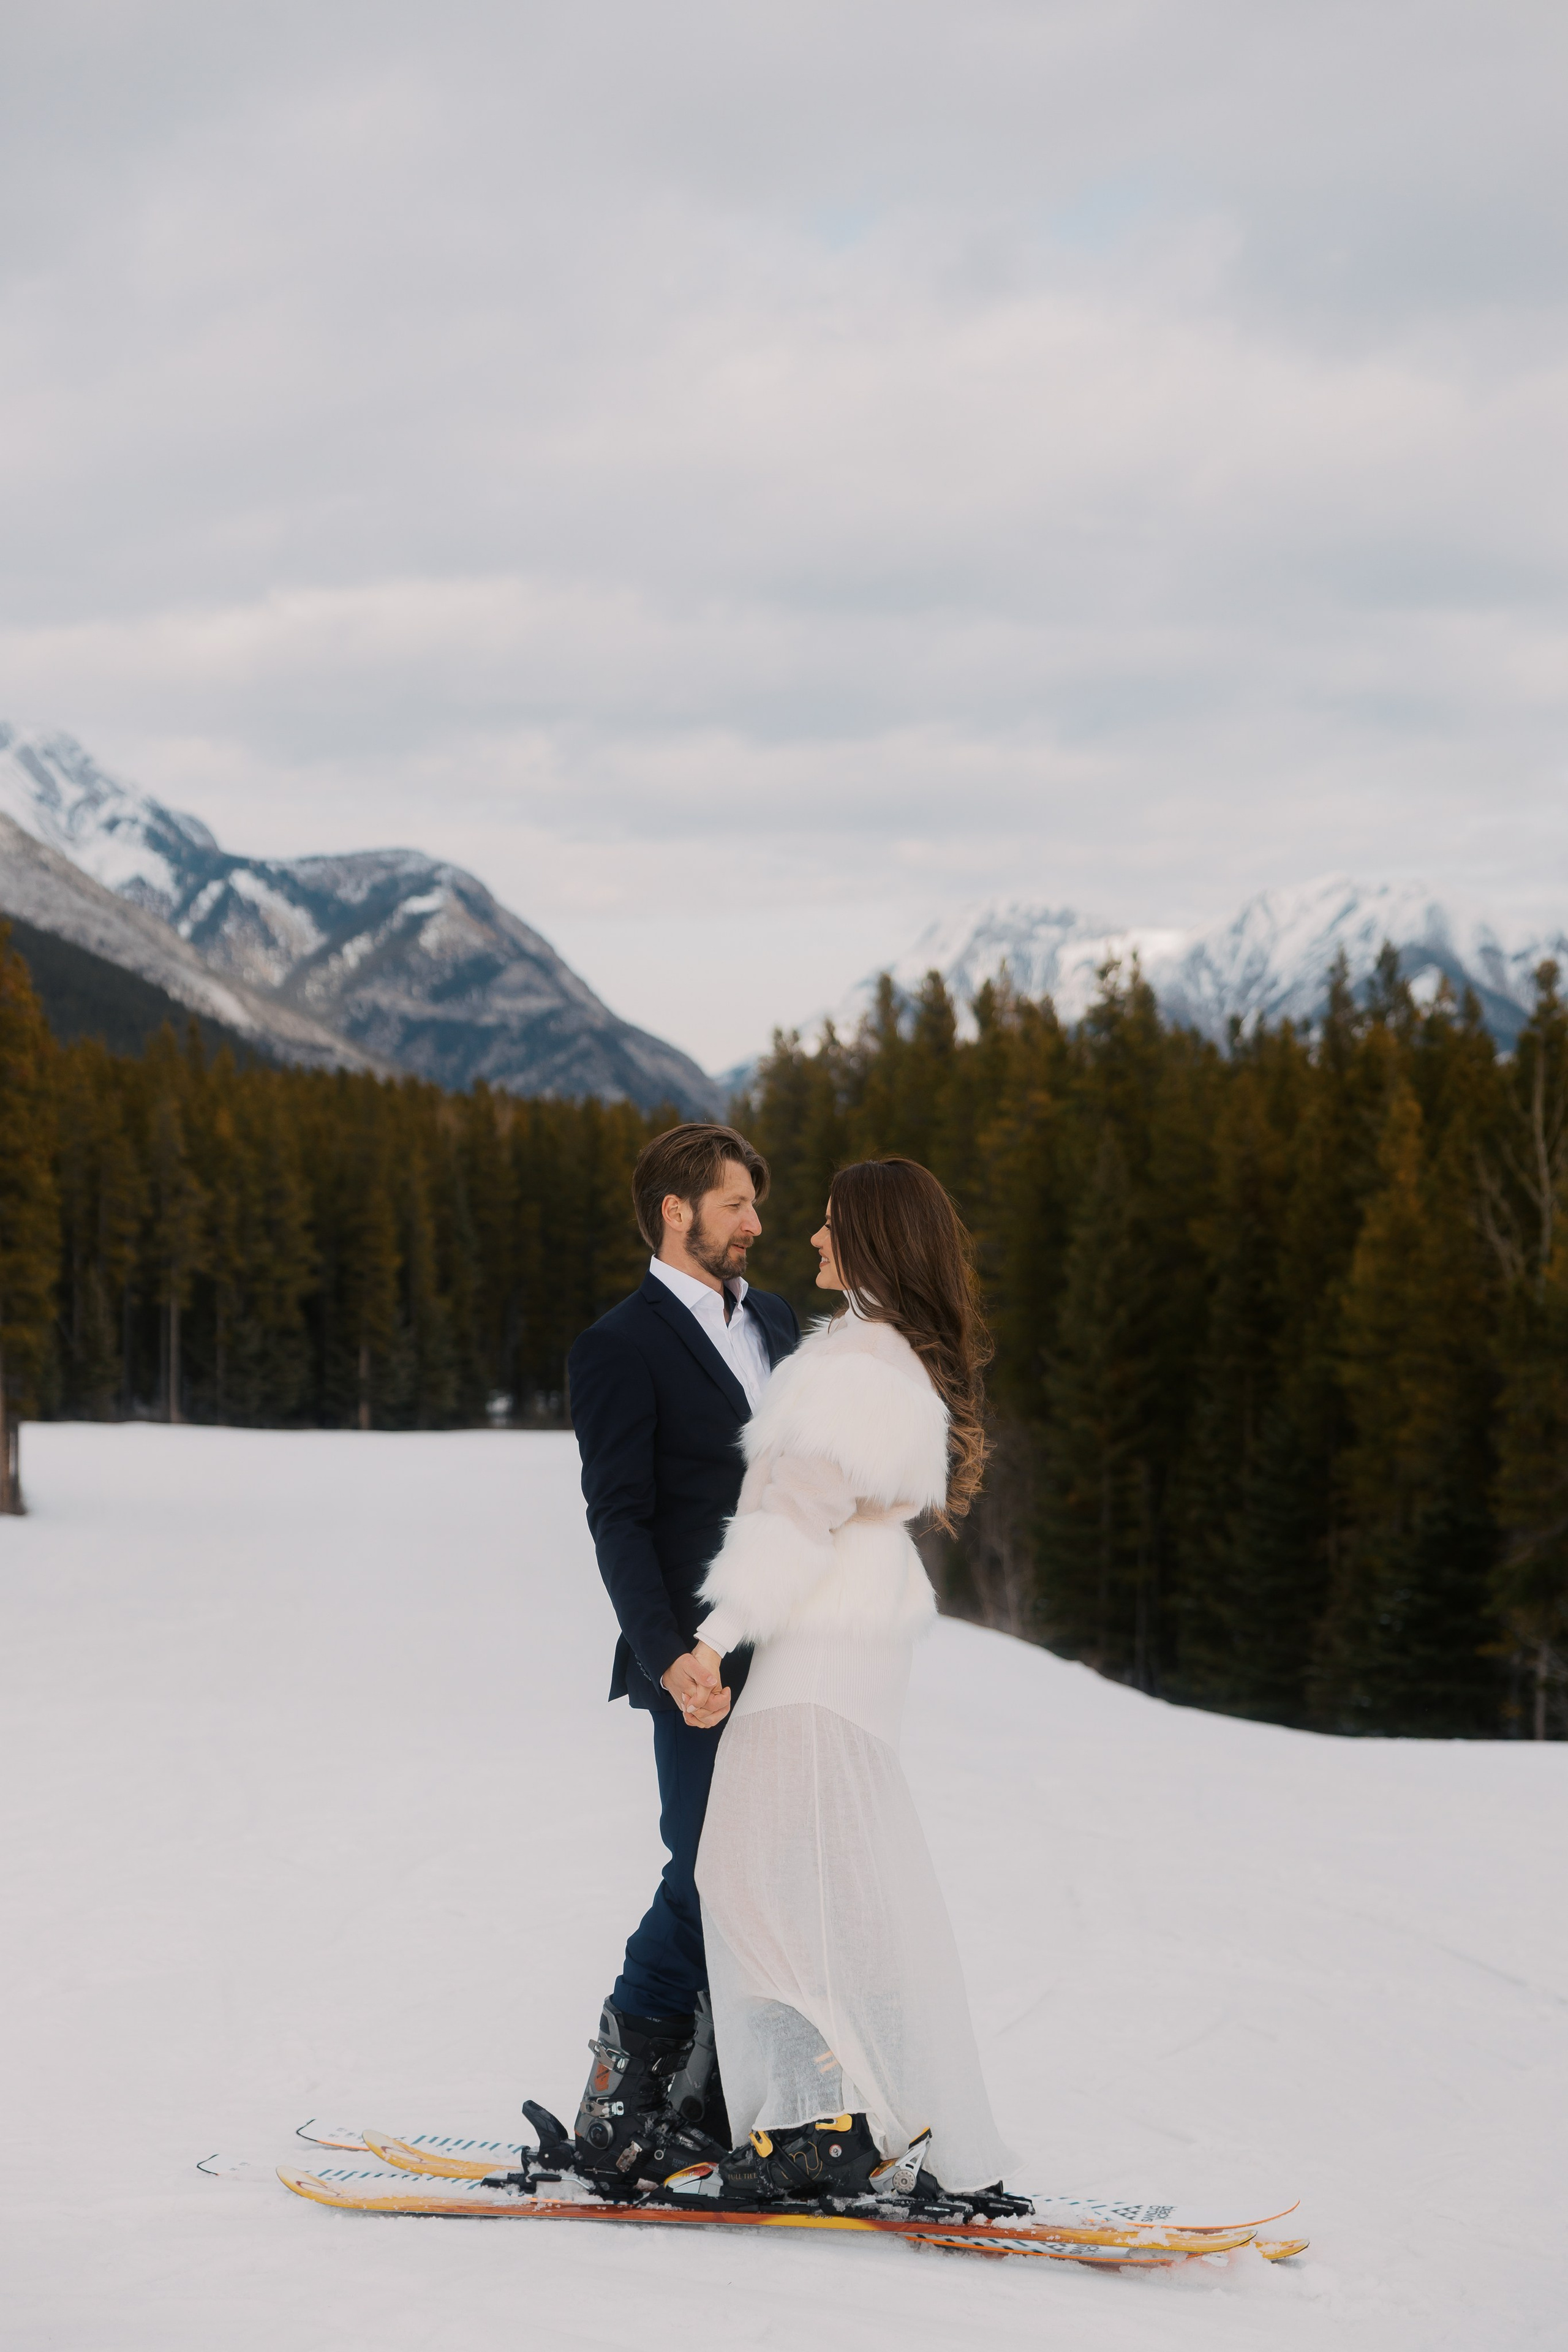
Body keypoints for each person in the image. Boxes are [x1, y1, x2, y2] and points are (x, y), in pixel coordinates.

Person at [685, 1155, 1012, 2204]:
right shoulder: (891, 1353)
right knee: (823, 1883)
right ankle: (847, 2116)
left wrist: (715, 1635)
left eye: (831, 1224)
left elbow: (797, 1516)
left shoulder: (859, 1359)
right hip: (856, 1644)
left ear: (870, 1239)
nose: (815, 1238)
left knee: (746, 1873)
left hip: (820, 1642)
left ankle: (823, 2123)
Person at [564, 1121, 799, 2184]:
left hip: (792, 1646)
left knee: (777, 1872)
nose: (755, 1223)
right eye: (737, 1204)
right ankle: (617, 2098)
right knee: (708, 1869)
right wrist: (669, 1657)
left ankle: (712, 2095)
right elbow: (618, 1519)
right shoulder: (618, 1346)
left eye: (755, 1204)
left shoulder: (777, 1320)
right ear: (677, 1210)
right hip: (693, 1661)